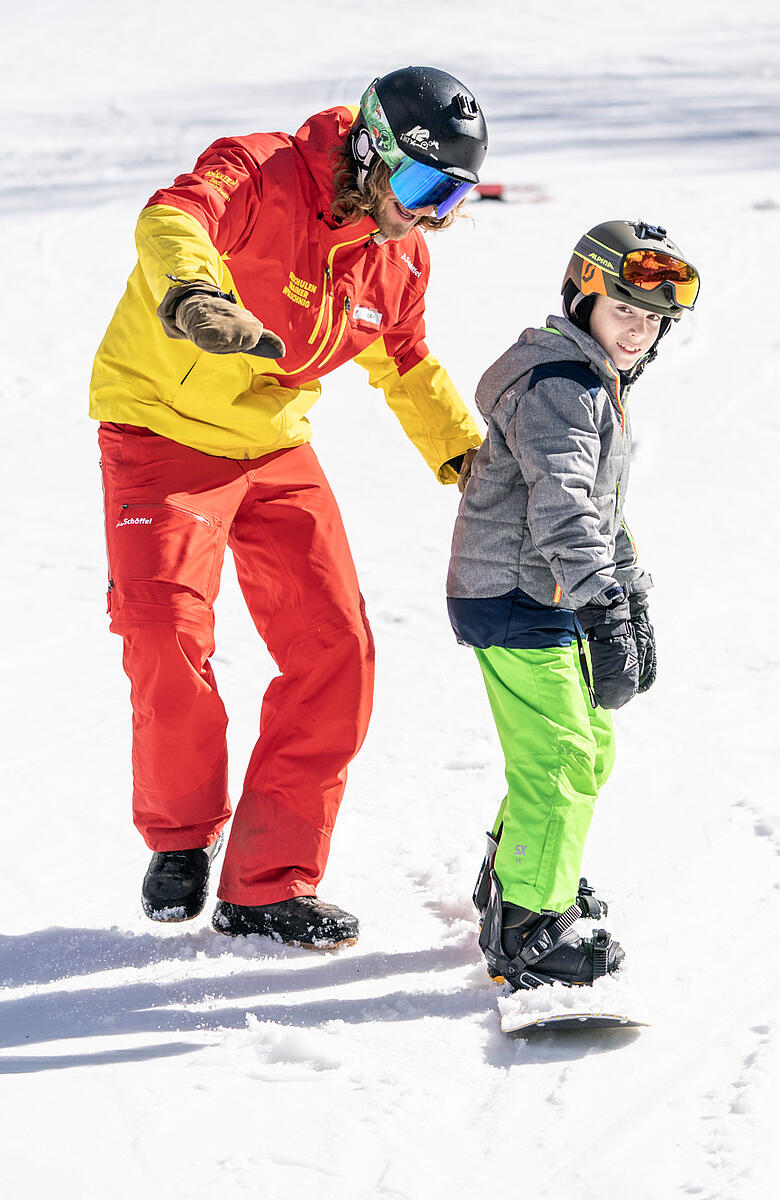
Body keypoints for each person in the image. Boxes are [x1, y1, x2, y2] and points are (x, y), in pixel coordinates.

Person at [90, 66, 487, 949]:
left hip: (271, 441)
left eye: (453, 200)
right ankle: (182, 833)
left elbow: (408, 359)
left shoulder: (399, 257)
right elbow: (173, 216)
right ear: (375, 150)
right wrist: (195, 295)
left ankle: (268, 883)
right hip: (160, 430)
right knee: (164, 632)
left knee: (336, 647)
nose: (428, 216)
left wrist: (466, 454)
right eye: (423, 187)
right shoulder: (262, 170)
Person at [447, 220, 700, 989]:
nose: (640, 330)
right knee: (558, 757)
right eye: (625, 310)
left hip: (549, 588)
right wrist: (601, 608)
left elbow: (602, 512)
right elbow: (562, 509)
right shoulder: (561, 385)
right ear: (582, 295)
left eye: (654, 320)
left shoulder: (592, 382)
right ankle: (527, 927)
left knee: (586, 748)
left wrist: (629, 600)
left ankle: (520, 872)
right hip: (515, 592)